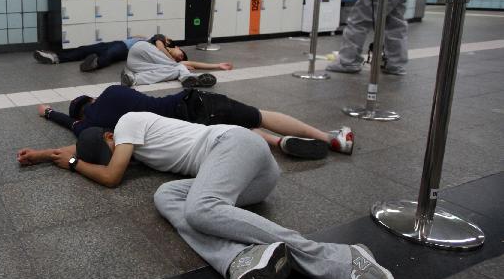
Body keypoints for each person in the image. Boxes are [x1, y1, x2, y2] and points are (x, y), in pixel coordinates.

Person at [26, 113, 398, 279]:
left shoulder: (125, 124)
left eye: (110, 149)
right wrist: (44, 154)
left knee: (199, 208)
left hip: (235, 144)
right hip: (246, 177)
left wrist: (75, 163)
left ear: (111, 135)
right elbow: (81, 148)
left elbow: (110, 176)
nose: (117, 154)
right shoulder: (121, 139)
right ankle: (239, 260)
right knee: (165, 194)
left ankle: (343, 261)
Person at [29, 84, 353, 160]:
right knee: (259, 115)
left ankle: (276, 143)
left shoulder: (86, 127)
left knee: (226, 130)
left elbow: (68, 128)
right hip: (194, 101)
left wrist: (49, 114)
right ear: (93, 100)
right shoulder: (112, 92)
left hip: (187, 133)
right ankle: (329, 137)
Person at [122, 34, 232, 88]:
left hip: (134, 65)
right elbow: (160, 46)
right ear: (177, 47)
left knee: (173, 71)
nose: (179, 58)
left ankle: (132, 79)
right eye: (181, 54)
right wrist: (176, 63)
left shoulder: (167, 61)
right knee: (178, 67)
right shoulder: (164, 40)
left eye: (179, 59)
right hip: (141, 48)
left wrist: (218, 66)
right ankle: (187, 77)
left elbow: (192, 64)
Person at [33, 36, 147, 72]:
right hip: (117, 43)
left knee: (109, 54)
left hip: (125, 49)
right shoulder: (147, 39)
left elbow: (159, 46)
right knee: (84, 49)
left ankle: (95, 63)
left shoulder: (157, 41)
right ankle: (55, 58)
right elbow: (139, 35)